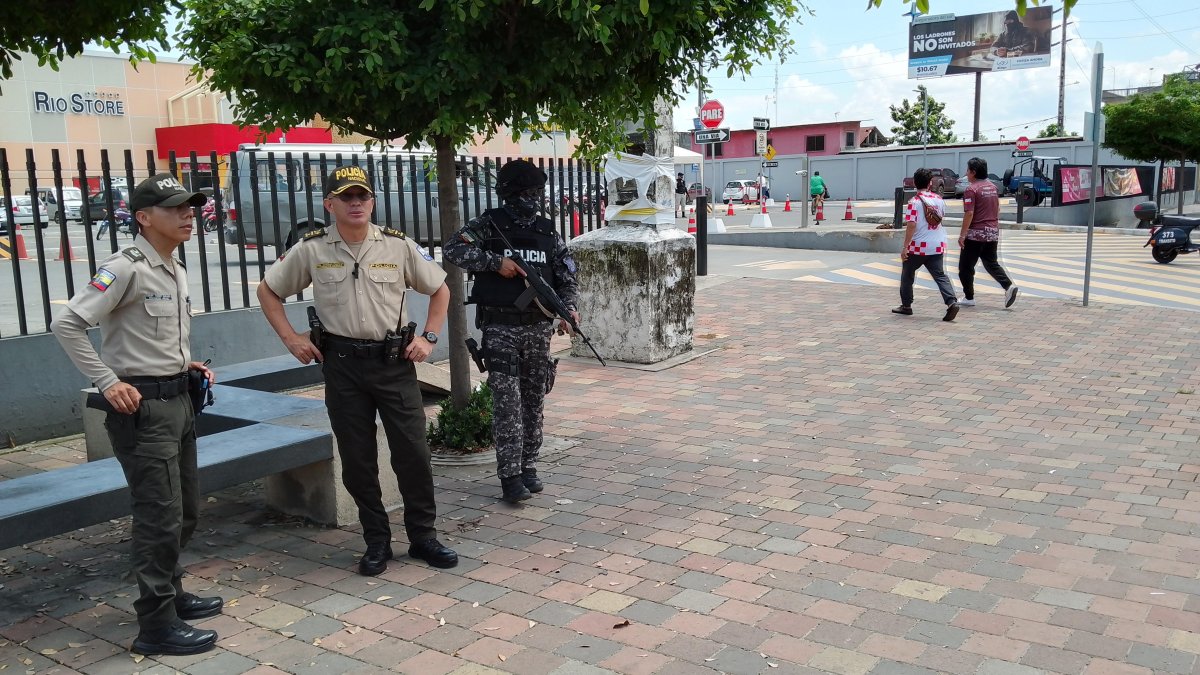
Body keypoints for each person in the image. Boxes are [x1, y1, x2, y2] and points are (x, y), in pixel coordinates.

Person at [257, 164, 458, 576]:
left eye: (362, 196)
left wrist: (430, 338)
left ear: (372, 202)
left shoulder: (397, 246)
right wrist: (291, 338)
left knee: (413, 453)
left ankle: (423, 536)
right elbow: (268, 289)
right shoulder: (312, 249)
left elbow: (441, 288)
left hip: (395, 364)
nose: (355, 203)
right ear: (329, 203)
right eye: (346, 197)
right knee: (357, 459)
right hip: (343, 367)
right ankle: (376, 540)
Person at [50, 174, 220, 656]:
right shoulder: (124, 268)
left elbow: (148, 336)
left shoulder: (173, 265)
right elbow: (66, 323)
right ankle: (155, 625)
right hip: (143, 411)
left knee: (185, 508)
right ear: (144, 218)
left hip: (179, 400)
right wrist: (108, 380)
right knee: (159, 517)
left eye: (190, 207)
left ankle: (173, 594)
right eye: (176, 208)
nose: (189, 214)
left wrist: (179, 362)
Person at [443, 159, 580, 504]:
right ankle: (510, 476)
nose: (531, 199)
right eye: (523, 193)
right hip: (500, 327)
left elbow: (566, 276)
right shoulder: (489, 226)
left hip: (538, 329)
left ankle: (529, 465)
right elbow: (453, 248)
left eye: (535, 192)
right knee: (507, 403)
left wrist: (568, 309)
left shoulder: (548, 232)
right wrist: (494, 263)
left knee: (534, 400)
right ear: (508, 194)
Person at [894, 168, 960, 322]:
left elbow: (911, 225)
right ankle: (951, 301)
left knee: (907, 275)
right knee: (940, 275)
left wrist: (905, 247)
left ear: (915, 183)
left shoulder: (914, 202)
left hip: (918, 246)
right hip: (937, 245)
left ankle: (906, 306)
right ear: (930, 183)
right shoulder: (939, 199)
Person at [957, 157, 1019, 308]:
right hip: (992, 232)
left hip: (976, 234)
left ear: (973, 172)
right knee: (991, 263)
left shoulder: (971, 190)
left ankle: (969, 297)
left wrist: (962, 235)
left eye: (968, 170)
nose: (966, 174)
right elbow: (997, 209)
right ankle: (1008, 286)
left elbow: (969, 213)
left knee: (965, 267)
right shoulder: (993, 187)